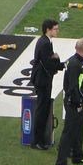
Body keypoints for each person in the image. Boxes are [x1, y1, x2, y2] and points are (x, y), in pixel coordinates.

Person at [54, 40, 83, 165]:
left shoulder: (74, 61)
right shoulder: (75, 64)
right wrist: (78, 102)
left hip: (75, 100)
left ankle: (78, 156)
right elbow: (73, 86)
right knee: (68, 132)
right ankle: (61, 163)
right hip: (73, 102)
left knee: (78, 129)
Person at [29, 19, 63, 150]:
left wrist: (56, 60)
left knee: (43, 109)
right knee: (41, 110)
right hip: (42, 80)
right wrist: (59, 62)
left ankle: (39, 139)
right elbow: (48, 63)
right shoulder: (45, 43)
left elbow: (48, 60)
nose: (57, 31)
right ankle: (37, 141)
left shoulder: (45, 41)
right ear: (48, 29)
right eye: (55, 29)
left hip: (43, 79)